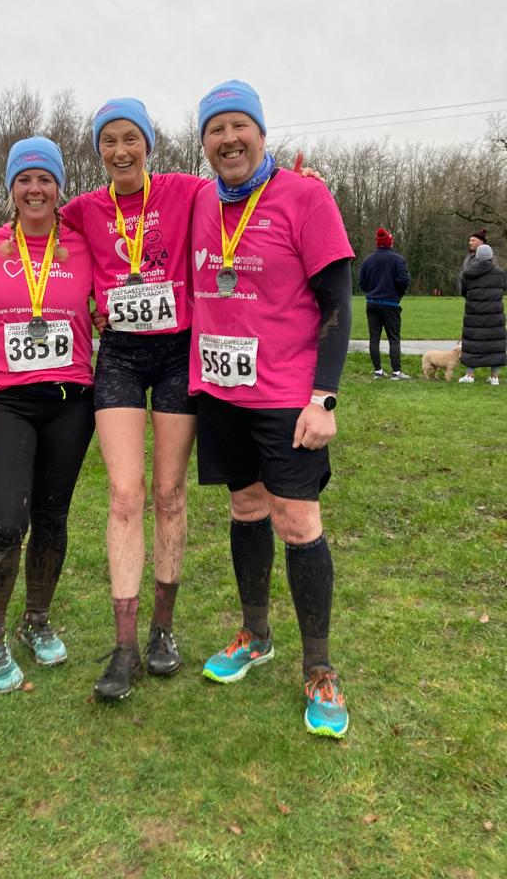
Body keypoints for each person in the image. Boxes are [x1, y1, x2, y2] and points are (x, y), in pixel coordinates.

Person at [190, 80, 354, 738]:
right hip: (221, 391)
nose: (228, 139)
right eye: (215, 129)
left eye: (239, 126)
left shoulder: (305, 196)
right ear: (203, 143)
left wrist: (324, 396)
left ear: (261, 132)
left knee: (297, 519)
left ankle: (319, 667)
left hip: (287, 395)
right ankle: (255, 634)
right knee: (246, 509)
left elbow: (339, 305)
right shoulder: (201, 200)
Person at [61, 99, 206, 700]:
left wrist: (298, 183)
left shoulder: (186, 191)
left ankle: (162, 631)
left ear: (149, 143)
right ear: (98, 151)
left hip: (177, 351)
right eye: (108, 142)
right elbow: (31, 226)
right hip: (119, 352)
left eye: (131, 139)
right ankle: (123, 646)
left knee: (170, 494)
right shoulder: (82, 211)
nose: (120, 151)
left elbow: (247, 192)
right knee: (126, 495)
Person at [0, 137, 96, 694]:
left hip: (71, 399)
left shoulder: (86, 244)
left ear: (59, 186)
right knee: (5, 521)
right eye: (24, 179)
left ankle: (37, 620)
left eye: (45, 178)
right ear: (11, 189)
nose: (35, 188)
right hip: (6, 401)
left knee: (52, 516)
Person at [358, 227, 411, 379]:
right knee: (393, 338)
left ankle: (378, 371)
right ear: (390, 242)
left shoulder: (368, 260)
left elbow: (362, 282)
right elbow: (403, 280)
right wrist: (397, 294)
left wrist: (371, 292)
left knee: (374, 337)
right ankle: (396, 371)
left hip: (372, 302)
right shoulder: (398, 260)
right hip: (390, 303)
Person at [458, 243, 506, 385]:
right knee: (495, 344)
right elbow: (502, 289)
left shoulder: (468, 274)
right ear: (491, 257)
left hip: (474, 313)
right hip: (495, 314)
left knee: (472, 343)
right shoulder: (500, 273)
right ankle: (494, 377)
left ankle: (470, 375)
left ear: (477, 257)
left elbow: (464, 292)